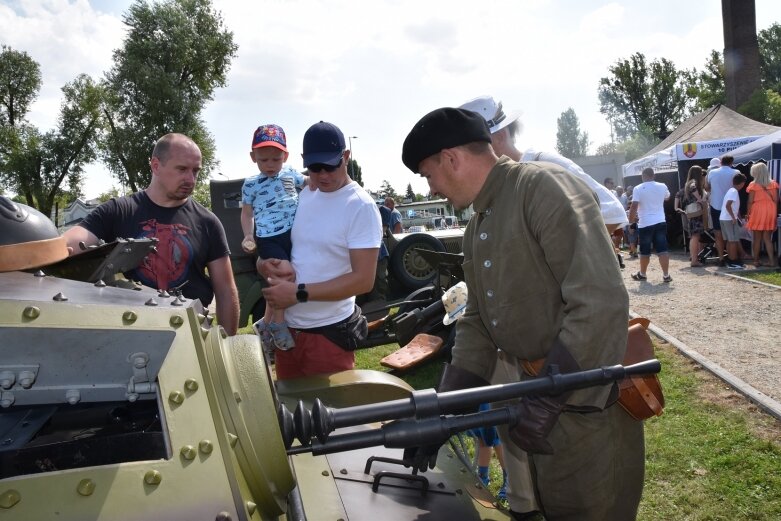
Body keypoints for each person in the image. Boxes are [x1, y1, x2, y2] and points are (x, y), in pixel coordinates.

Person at [402, 107, 642, 521]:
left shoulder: (543, 189)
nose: (431, 187)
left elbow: (599, 300)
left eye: (427, 174)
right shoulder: (478, 224)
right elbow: (477, 321)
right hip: (539, 398)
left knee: (590, 508)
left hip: (583, 403)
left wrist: (549, 397)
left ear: (451, 159)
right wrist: (444, 411)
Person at [63, 133, 239, 335]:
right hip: (128, 330)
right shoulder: (117, 212)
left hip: (190, 334)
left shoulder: (208, 222)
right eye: (182, 169)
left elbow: (225, 290)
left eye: (195, 171)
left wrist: (227, 343)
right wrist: (55, 250)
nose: (191, 179)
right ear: (156, 165)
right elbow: (72, 242)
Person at [260, 121, 381, 379]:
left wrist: (298, 294)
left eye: (330, 165)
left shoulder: (360, 206)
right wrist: (264, 262)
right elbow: (284, 246)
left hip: (328, 336)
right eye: (315, 168)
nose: (323, 175)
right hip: (289, 334)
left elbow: (363, 280)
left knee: (333, 417)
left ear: (346, 157)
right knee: (293, 416)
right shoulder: (302, 195)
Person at [459, 95, 628, 267]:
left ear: (500, 137)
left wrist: (564, 261)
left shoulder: (546, 164)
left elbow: (612, 212)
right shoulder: (499, 184)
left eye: (473, 147)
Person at [240, 124, 308, 350]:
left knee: (283, 279)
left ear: (285, 156)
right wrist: (248, 235)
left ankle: (264, 323)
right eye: (263, 160)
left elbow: (308, 183)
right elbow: (247, 212)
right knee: (285, 274)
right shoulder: (251, 184)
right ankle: (279, 324)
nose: (270, 165)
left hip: (293, 234)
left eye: (275, 159)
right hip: (268, 238)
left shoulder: (290, 174)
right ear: (253, 157)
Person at [630, 167, 672, 283]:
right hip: (660, 221)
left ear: (643, 176)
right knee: (662, 249)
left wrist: (630, 221)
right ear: (653, 175)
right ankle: (666, 275)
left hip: (645, 223)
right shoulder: (662, 186)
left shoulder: (638, 188)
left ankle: (643, 274)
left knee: (645, 251)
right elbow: (667, 197)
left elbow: (634, 206)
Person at [707, 155, 740, 265]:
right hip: (730, 207)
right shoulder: (736, 172)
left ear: (721, 162)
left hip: (715, 205)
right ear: (732, 162)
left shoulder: (712, 173)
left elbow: (707, 187)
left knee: (718, 234)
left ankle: (721, 258)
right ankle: (732, 258)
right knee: (731, 236)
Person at [746, 162, 779, 267]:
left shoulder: (753, 184)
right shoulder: (774, 184)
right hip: (771, 210)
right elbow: (777, 200)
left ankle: (756, 260)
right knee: (767, 238)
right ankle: (772, 261)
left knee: (757, 238)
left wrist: (748, 213)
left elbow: (750, 201)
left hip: (757, 210)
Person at [675, 165, 708, 267]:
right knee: (695, 236)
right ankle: (694, 260)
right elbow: (693, 188)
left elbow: (677, 194)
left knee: (694, 236)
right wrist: (699, 199)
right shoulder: (693, 183)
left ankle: (694, 257)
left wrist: (676, 207)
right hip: (696, 212)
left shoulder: (687, 184)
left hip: (691, 213)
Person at [720, 172, 748, 269]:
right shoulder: (734, 192)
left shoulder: (730, 190)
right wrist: (733, 217)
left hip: (723, 218)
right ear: (742, 183)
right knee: (733, 240)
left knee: (730, 240)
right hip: (729, 219)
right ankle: (733, 261)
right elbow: (728, 205)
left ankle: (731, 259)